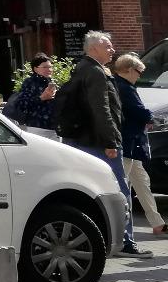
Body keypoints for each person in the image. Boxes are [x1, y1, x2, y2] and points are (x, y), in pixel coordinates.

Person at [59, 30, 151, 257]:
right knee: (120, 191)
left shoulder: (81, 68)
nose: (112, 50)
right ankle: (125, 242)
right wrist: (111, 141)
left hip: (83, 139)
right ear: (93, 49)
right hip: (100, 143)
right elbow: (102, 109)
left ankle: (106, 239)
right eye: (107, 46)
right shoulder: (95, 72)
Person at [111, 53, 168, 235]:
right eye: (139, 72)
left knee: (142, 183)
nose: (140, 75)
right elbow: (138, 111)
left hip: (131, 144)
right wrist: (149, 117)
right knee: (122, 185)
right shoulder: (125, 87)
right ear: (130, 70)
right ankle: (122, 228)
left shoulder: (118, 84)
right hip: (128, 142)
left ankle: (157, 223)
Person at [4, 54, 59, 131]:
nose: (49, 69)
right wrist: (41, 98)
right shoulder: (30, 82)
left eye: (50, 67)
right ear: (35, 69)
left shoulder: (51, 82)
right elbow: (22, 104)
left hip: (53, 126)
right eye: (45, 67)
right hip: (36, 126)